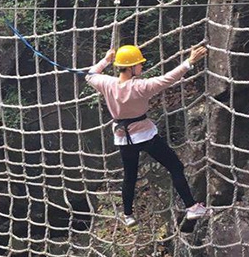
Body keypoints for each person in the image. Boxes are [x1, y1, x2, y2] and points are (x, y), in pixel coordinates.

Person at [86, 44, 209, 226]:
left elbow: (89, 74)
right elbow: (168, 79)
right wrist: (189, 62)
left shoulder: (106, 83)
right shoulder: (140, 87)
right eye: (139, 64)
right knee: (175, 166)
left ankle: (127, 215)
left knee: (130, 176)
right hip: (146, 136)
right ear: (130, 67)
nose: (141, 67)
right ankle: (191, 207)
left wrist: (105, 60)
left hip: (123, 138)